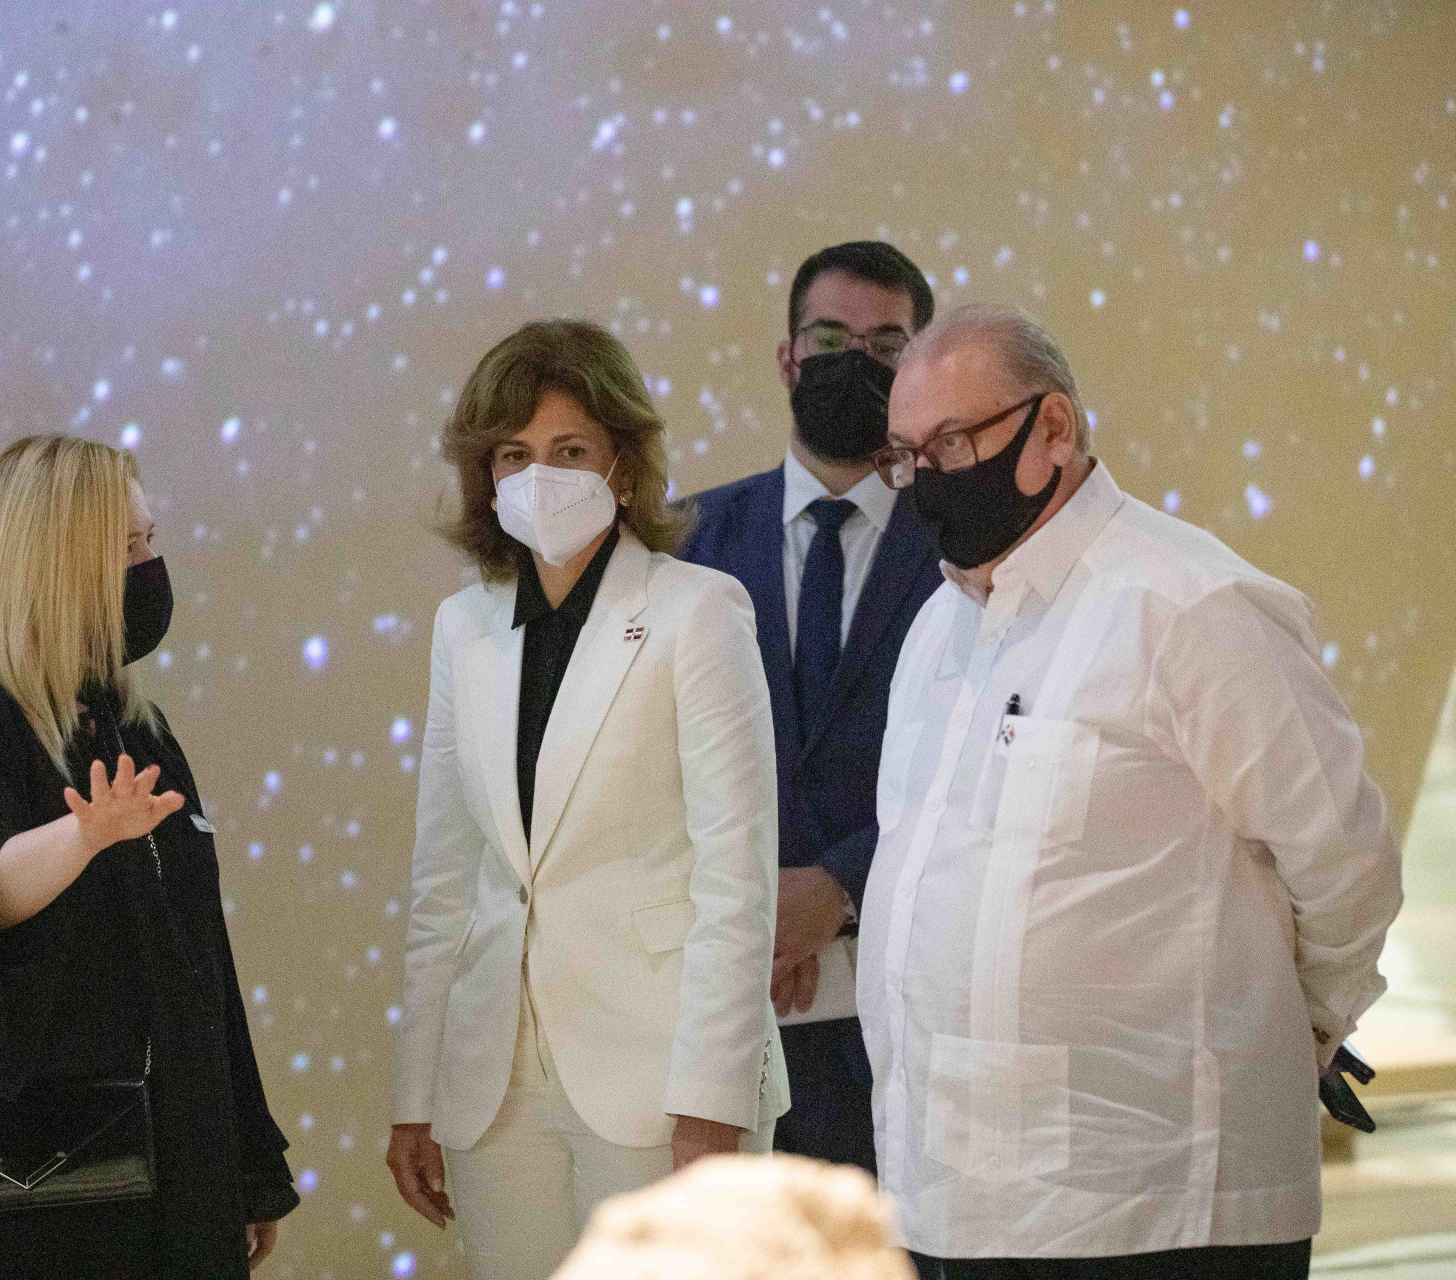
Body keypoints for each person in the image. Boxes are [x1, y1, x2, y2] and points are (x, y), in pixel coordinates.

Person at [858, 304, 1403, 1278]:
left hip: (1159, 1202)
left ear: (1053, 428)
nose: (928, 477)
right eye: (907, 455)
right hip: (955, 1193)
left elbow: (1346, 863)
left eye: (953, 443)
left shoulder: (1190, 605)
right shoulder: (937, 627)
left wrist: (1298, 1029)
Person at [387, 319, 791, 1280]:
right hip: (495, 1081)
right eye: (514, 455)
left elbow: (738, 878)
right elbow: (445, 878)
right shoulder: (464, 627)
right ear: (486, 477)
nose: (540, 476)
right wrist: (416, 1095)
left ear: (622, 463)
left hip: (663, 1073)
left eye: (569, 450)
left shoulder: (700, 610)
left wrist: (714, 1099)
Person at [0, 434, 297, 1278]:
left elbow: (199, 958)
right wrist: (84, 836)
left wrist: (246, 1162)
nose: (149, 566)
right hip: (31, 1186)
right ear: (55, 566)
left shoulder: (133, 726)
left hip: (174, 1164)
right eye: (126, 547)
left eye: (151, 539)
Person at [677, 241, 942, 1173]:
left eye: (886, 346)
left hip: (908, 1011)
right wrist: (755, 908)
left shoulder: (964, 544)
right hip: (720, 1016)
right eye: (830, 339)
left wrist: (837, 887)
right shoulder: (683, 542)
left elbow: (984, 762)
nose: (853, 362)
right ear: (788, 356)